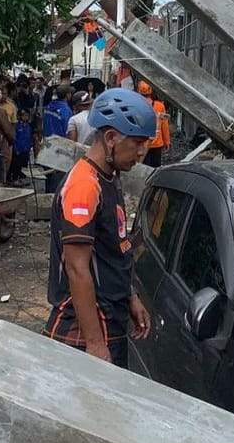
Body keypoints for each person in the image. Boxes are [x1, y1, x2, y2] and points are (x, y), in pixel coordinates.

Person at [45, 89, 154, 367]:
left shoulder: (109, 176)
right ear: (110, 138)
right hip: (86, 330)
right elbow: (77, 268)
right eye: (138, 143)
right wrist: (94, 343)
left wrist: (130, 296)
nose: (142, 153)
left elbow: (112, 249)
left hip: (110, 318)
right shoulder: (84, 186)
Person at [137, 81, 171, 168]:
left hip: (143, 143)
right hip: (157, 143)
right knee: (155, 168)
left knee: (143, 168)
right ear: (151, 91)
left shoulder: (137, 105)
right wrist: (167, 141)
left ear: (139, 91)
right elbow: (165, 126)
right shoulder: (160, 106)